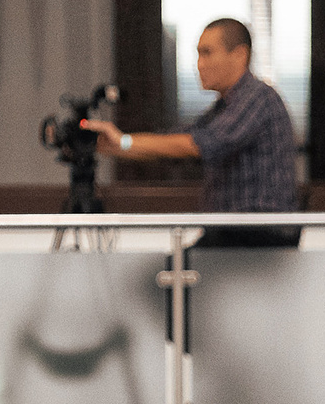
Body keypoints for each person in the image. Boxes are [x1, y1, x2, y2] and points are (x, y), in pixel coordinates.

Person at [81, 17, 300, 248]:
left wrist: (123, 141)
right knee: (174, 272)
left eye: (207, 53)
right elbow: (176, 140)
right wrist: (106, 145)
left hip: (260, 234)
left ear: (239, 55)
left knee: (173, 275)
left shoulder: (258, 98)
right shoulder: (224, 107)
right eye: (198, 54)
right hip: (235, 232)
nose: (199, 64)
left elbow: (198, 144)